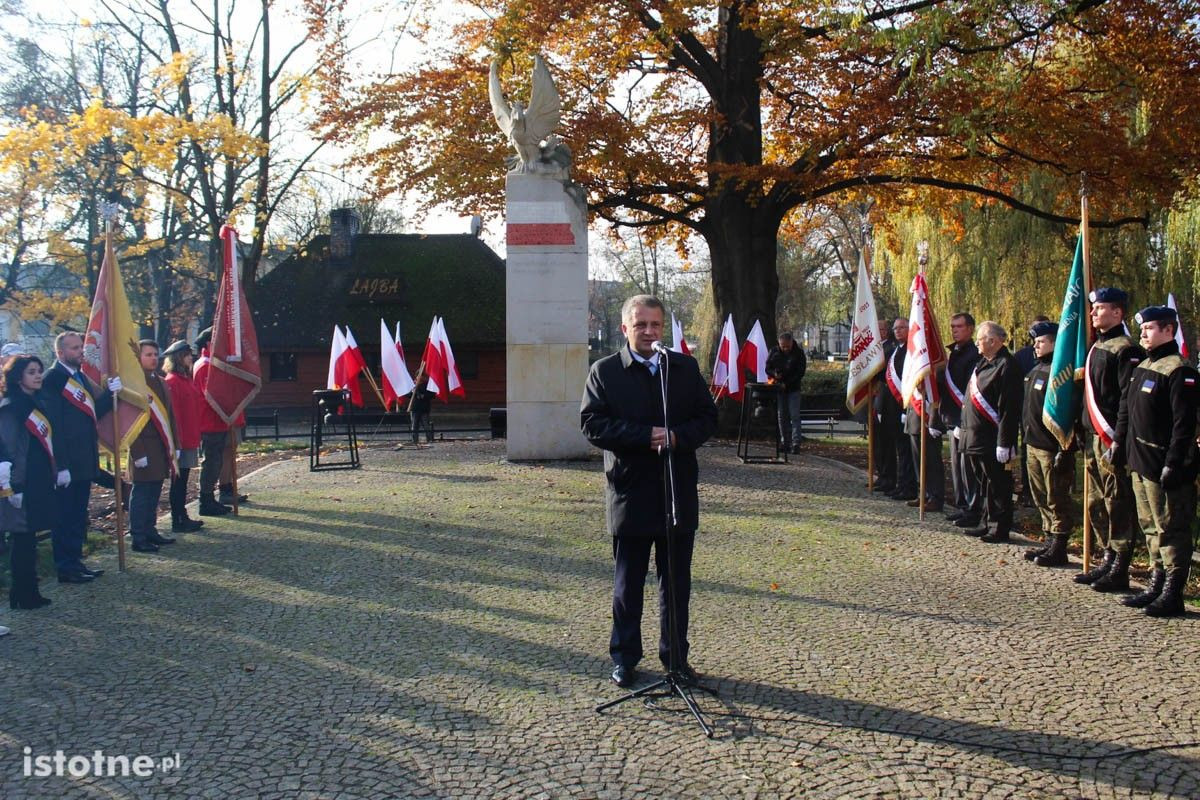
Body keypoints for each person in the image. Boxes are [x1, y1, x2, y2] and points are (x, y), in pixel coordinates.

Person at [581, 295, 718, 689]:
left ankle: (676, 659)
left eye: (655, 325)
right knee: (628, 585)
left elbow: (708, 418)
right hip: (630, 494)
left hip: (676, 493)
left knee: (675, 584)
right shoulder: (604, 372)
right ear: (625, 329)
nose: (649, 332)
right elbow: (592, 424)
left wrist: (677, 437)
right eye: (640, 325)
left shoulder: (683, 369)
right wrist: (645, 437)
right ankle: (625, 658)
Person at [1115, 305, 1199, 616]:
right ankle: (1156, 582)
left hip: (1164, 463)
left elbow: (1184, 425)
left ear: (1167, 330)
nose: (1143, 334)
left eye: (1149, 329)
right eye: (1142, 329)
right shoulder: (1144, 367)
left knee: (1170, 528)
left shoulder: (1180, 370)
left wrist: (1174, 463)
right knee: (1150, 526)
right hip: (1141, 460)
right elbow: (1130, 413)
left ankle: (1173, 592)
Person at [1075, 288, 1144, 592]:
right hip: (1092, 436)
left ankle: (1120, 565)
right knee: (1095, 503)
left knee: (1117, 502)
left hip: (1112, 436)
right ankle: (1106, 556)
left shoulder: (1126, 349)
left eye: (1099, 308)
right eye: (1093, 309)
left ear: (1117, 312)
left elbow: (1126, 398)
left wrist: (1119, 438)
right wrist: (1080, 425)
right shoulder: (1095, 347)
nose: (1093, 314)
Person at [41, 331, 120, 583]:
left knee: (77, 515)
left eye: (80, 347)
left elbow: (92, 413)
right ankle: (65, 566)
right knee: (64, 517)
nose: (80, 352)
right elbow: (54, 425)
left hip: (84, 458)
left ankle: (75, 562)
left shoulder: (80, 378)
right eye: (74, 348)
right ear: (60, 352)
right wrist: (60, 465)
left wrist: (109, 394)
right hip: (66, 461)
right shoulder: (53, 379)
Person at [0, 355, 56, 610]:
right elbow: (12, 449)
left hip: (37, 479)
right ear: (17, 376)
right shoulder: (12, 407)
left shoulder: (35, 402)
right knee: (22, 540)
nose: (37, 375)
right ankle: (21, 594)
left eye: (39, 371)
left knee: (30, 538)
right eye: (31, 371)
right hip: (21, 482)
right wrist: (15, 486)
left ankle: (28, 591)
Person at [1021, 321, 1077, 567]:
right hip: (1032, 443)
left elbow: (1068, 412)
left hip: (1051, 446)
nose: (1036, 345)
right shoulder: (1036, 369)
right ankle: (1048, 537)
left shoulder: (1060, 373)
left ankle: (1059, 543)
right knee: (1040, 495)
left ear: (1056, 342)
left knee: (1057, 497)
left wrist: (1065, 449)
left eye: (1041, 341)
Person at [960, 321, 1023, 543]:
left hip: (992, 437)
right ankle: (986, 522)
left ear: (993, 341)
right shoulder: (984, 364)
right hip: (975, 436)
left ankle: (999, 527)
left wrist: (1005, 442)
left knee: (998, 484)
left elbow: (1009, 408)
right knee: (984, 482)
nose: (977, 342)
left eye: (980, 338)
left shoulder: (1007, 365)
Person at [128, 341, 178, 553]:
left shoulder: (160, 381)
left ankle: (150, 530)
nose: (153, 358)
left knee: (155, 490)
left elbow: (169, 416)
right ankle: (138, 536)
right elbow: (129, 421)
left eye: (155, 354)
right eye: (148, 354)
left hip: (160, 445)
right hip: (144, 446)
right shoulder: (133, 383)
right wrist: (137, 452)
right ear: (138, 357)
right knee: (141, 493)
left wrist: (175, 444)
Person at [941, 313, 981, 526]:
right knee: (956, 467)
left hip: (965, 419)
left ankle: (973, 509)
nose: (954, 330)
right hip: (952, 418)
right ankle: (962, 505)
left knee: (968, 468)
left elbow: (969, 389)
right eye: (952, 326)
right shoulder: (954, 353)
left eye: (959, 326)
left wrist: (961, 420)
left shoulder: (974, 354)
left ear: (971, 329)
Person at [162, 340, 204, 533]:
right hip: (182, 440)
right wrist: (176, 443)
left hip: (189, 438)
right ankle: (178, 519)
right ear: (179, 358)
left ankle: (181, 516)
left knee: (183, 480)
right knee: (178, 481)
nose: (191, 357)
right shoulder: (172, 382)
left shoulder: (185, 380)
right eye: (188, 355)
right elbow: (175, 415)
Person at [191, 328, 231, 516]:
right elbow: (212, 395)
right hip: (210, 422)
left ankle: (209, 499)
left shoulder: (210, 364)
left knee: (215, 461)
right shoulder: (205, 366)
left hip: (216, 421)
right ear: (209, 343)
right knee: (211, 462)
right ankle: (205, 500)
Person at [882, 318, 919, 502]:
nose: (898, 331)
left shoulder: (911, 352)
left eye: (902, 328)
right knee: (900, 449)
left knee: (906, 451)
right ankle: (901, 484)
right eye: (895, 328)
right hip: (893, 408)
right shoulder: (896, 350)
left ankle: (909, 486)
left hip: (905, 408)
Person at [766, 332, 807, 453]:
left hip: (793, 388)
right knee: (781, 416)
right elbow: (767, 367)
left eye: (787, 346)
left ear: (791, 343)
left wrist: (787, 383)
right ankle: (785, 441)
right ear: (779, 343)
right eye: (783, 346)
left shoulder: (798, 353)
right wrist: (774, 374)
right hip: (779, 388)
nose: (785, 349)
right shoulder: (774, 351)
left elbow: (800, 372)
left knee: (794, 416)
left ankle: (796, 443)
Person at [872, 321, 899, 492]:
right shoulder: (875, 348)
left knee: (886, 441)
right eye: (877, 329)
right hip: (876, 398)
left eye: (882, 329)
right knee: (877, 441)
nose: (879, 332)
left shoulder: (891, 348)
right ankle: (881, 474)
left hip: (887, 399)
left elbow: (882, 371)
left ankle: (889, 477)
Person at [408, 366, 434, 446]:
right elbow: (408, 395)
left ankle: (429, 439)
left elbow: (432, 395)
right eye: (418, 375)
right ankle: (414, 440)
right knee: (414, 426)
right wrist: (413, 391)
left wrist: (423, 395)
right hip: (415, 408)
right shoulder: (413, 384)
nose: (419, 377)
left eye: (421, 375)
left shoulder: (428, 385)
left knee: (426, 425)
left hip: (424, 408)